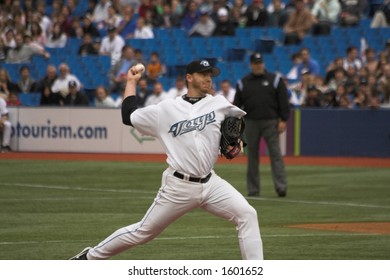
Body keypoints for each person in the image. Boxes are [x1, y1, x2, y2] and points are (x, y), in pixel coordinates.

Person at [70, 59, 263, 260]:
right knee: (143, 232)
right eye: (203, 74)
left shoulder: (219, 103)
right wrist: (131, 81)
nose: (208, 78)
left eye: (210, 75)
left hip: (211, 183)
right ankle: (88, 258)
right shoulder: (166, 109)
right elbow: (129, 116)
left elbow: (238, 126)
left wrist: (239, 143)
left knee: (247, 215)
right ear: (189, 78)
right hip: (179, 186)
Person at [234, 53, 290, 197]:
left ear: (263, 63)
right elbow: (237, 104)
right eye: (256, 63)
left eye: (260, 63)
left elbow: (283, 100)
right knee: (252, 156)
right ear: (251, 64)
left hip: (271, 121)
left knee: (275, 154)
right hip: (251, 122)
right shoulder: (243, 82)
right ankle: (253, 189)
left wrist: (283, 119)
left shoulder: (275, 80)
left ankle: (281, 187)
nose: (259, 65)